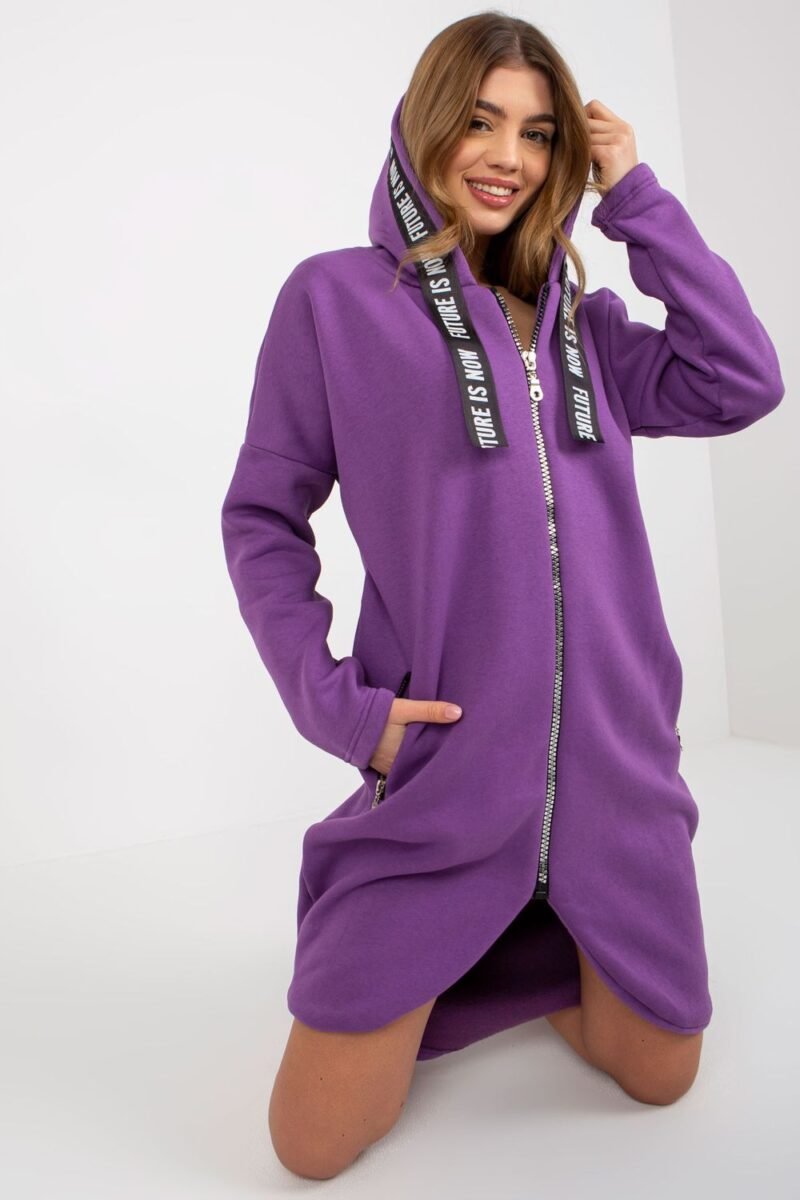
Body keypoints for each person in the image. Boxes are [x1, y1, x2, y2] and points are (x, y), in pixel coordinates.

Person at [220, 11, 784, 1181]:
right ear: (424, 124)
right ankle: (462, 938)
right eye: (479, 121)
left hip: (614, 772)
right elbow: (262, 519)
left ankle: (534, 932)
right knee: (309, 1147)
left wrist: (633, 197)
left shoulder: (590, 331)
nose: (506, 157)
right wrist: (341, 710)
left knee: (659, 1074)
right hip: (444, 774)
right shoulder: (332, 302)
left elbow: (740, 379)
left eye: (536, 134)